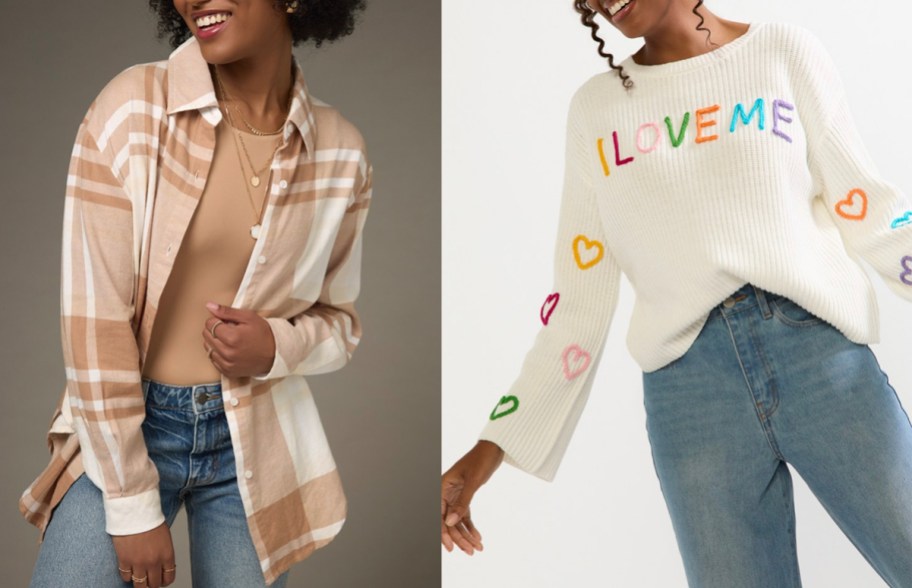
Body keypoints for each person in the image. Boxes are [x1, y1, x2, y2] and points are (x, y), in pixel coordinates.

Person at [441, 1, 912, 586]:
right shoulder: (597, 110)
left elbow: (870, 211)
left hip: (819, 361)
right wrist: (494, 444)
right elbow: (577, 304)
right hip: (691, 397)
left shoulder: (784, 52)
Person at [20, 1, 371, 586]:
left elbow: (339, 323)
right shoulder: (132, 108)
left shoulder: (341, 152)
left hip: (253, 441)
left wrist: (276, 347)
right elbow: (94, 323)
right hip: (129, 430)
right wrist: (132, 505)